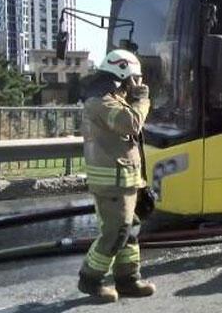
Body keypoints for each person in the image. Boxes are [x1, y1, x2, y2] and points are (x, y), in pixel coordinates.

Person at [78, 49, 155, 303]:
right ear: (122, 73)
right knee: (114, 232)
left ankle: (128, 279)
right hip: (111, 182)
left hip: (125, 179)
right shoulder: (100, 101)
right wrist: (142, 99)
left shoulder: (114, 98)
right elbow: (130, 124)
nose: (138, 84)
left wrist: (141, 183)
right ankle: (91, 279)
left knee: (129, 230)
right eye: (134, 78)